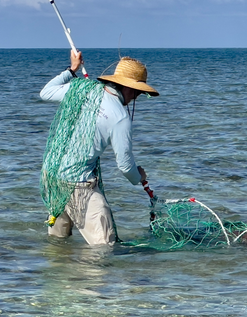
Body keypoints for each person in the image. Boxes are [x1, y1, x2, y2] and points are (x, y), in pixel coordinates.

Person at [39, 50, 159, 245]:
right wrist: (140, 176)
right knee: (104, 248)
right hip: (79, 186)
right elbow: (125, 167)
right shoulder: (120, 117)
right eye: (137, 91)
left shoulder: (81, 90)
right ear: (126, 87)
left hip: (52, 177)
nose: (136, 97)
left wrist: (72, 69)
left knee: (57, 246)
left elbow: (45, 92)